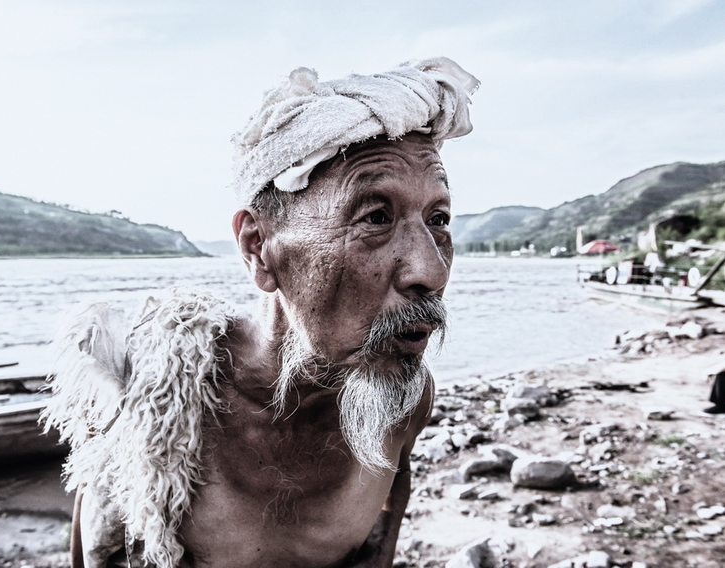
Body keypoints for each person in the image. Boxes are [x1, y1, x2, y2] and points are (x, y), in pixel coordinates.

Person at [43, 57, 478, 568]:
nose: (432, 270)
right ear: (258, 248)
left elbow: (388, 510)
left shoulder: (404, 397)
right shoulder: (151, 395)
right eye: (375, 217)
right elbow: (97, 553)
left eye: (438, 219)